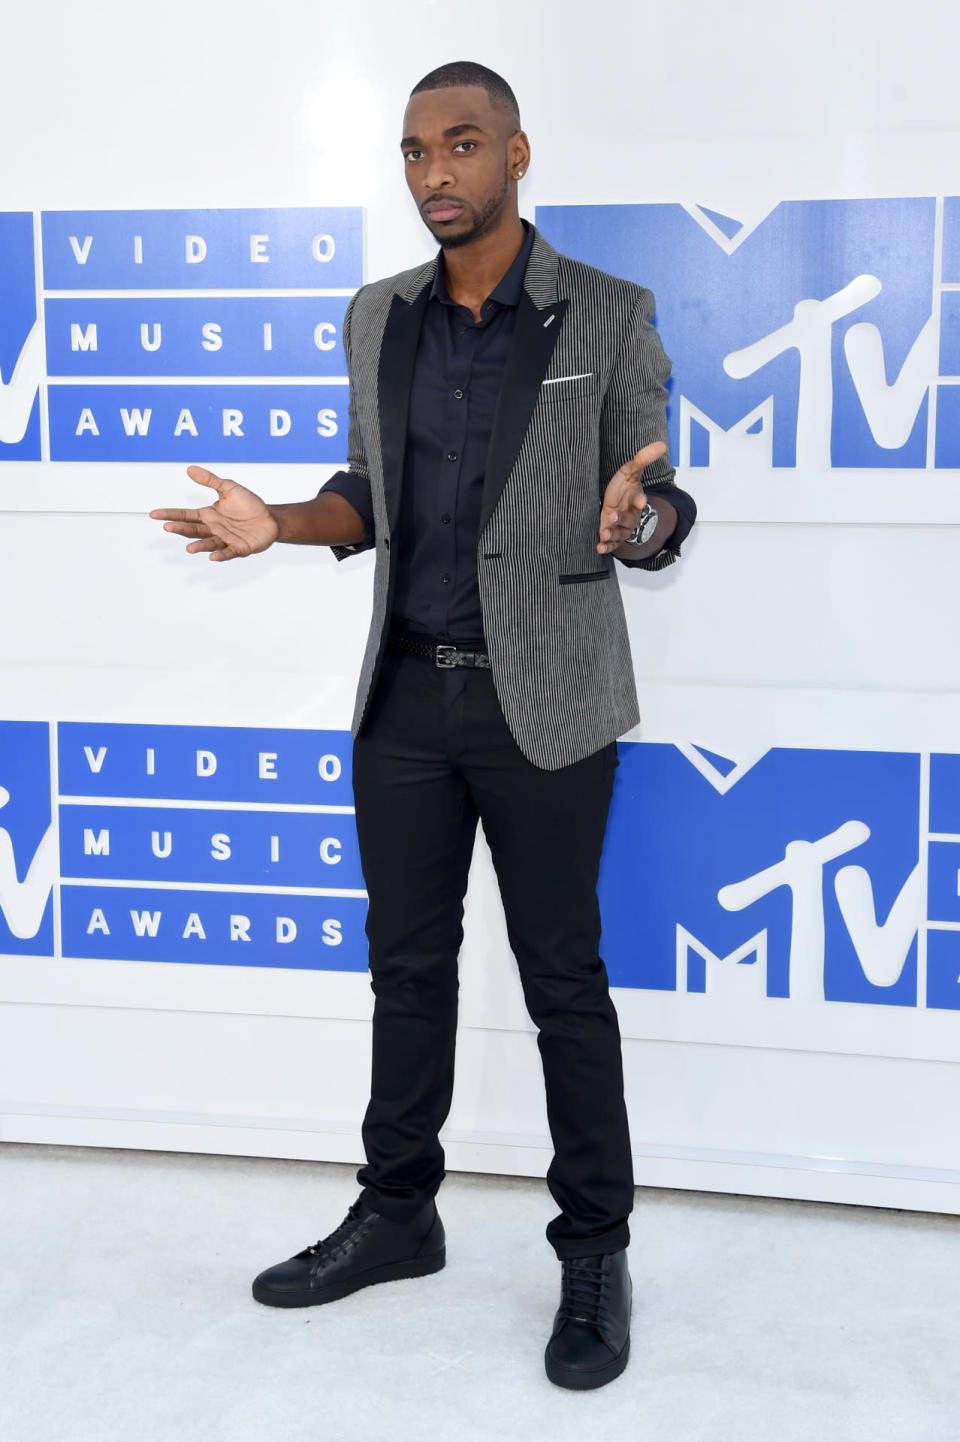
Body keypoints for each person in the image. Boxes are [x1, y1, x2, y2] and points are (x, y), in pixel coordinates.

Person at [151, 59, 696, 1391]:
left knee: (564, 976)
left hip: (549, 700)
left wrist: (643, 524)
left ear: (517, 153)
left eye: (461, 145)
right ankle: (399, 1211)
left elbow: (660, 498)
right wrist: (278, 520)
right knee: (409, 965)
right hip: (407, 694)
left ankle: (594, 1248)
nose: (434, 171)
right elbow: (370, 493)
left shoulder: (608, 314)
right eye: (412, 152)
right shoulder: (377, 314)